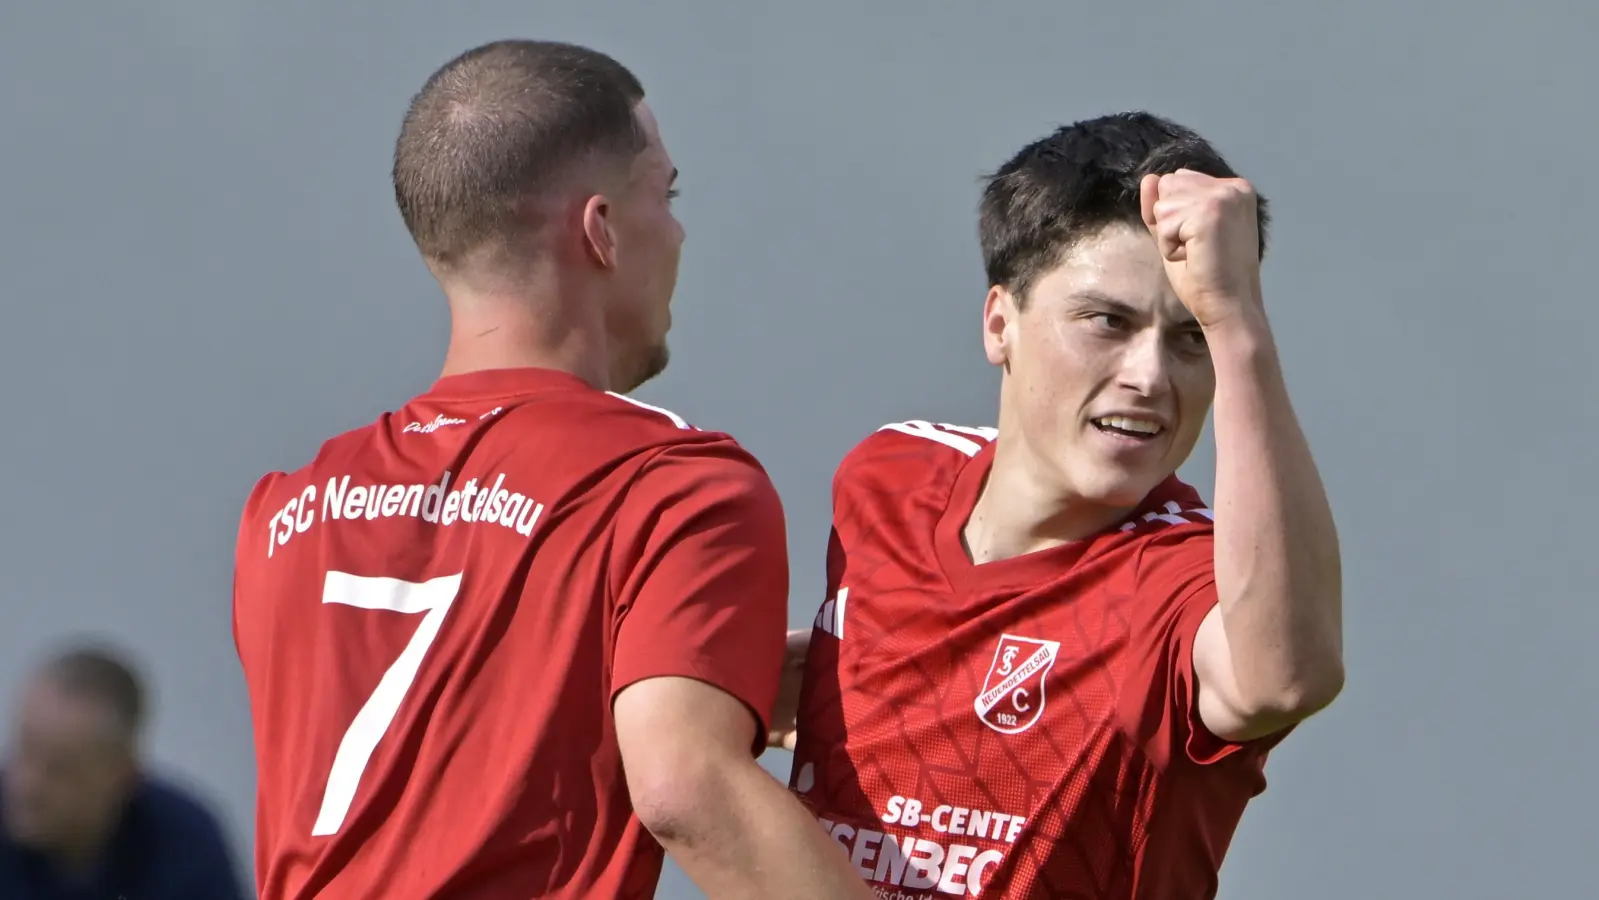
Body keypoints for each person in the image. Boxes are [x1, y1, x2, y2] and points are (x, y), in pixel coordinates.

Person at [231, 39, 872, 900]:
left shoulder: (283, 512)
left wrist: (697, 666)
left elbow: (440, 760)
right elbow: (685, 790)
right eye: (666, 194)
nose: (678, 230)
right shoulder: (673, 484)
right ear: (600, 230)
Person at [780, 112, 1345, 898]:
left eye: (1190, 339)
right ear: (999, 322)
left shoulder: (1179, 581)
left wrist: (1237, 321)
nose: (1149, 376)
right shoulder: (890, 475)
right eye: (1107, 322)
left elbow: (1280, 679)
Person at [0, 642, 246, 899]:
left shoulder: (188, 843)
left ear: (122, 776)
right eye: (25, 750)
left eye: (60, 769)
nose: (28, 784)